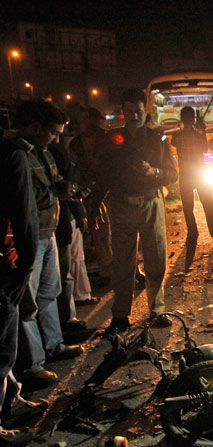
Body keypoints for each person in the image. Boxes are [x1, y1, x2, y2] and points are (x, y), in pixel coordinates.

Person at [9, 100, 84, 390]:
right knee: (27, 305)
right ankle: (31, 365)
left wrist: (63, 188)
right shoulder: (16, 154)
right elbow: (23, 199)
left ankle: (53, 346)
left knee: (48, 294)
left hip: (48, 231)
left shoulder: (41, 151)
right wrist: (55, 191)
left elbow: (52, 183)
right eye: (53, 132)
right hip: (30, 236)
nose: (56, 139)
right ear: (34, 127)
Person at [95, 88, 178, 335]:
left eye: (138, 111)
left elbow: (173, 174)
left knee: (156, 257)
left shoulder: (158, 140)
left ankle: (157, 310)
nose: (134, 116)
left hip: (151, 202)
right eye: (129, 111)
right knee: (122, 262)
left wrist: (153, 173)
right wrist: (96, 202)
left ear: (146, 111)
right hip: (121, 206)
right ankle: (120, 315)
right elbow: (102, 174)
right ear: (123, 112)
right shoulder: (111, 141)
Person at [0, 128, 49, 446]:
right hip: (5, 264)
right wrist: (27, 267)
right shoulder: (11, 156)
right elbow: (25, 214)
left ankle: (11, 401)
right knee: (2, 350)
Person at [171, 106, 213, 267]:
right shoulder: (198, 135)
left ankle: (192, 233)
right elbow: (205, 149)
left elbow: (174, 144)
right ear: (193, 119)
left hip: (186, 177)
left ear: (181, 119)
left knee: (188, 208)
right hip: (200, 174)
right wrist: (201, 130)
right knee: (208, 205)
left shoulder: (177, 136)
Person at [49, 140, 90, 331]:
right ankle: (63, 323)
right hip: (51, 226)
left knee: (63, 274)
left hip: (59, 223)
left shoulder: (49, 153)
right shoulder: (43, 156)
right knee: (59, 276)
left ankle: (64, 321)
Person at [70, 108, 112, 289]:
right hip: (89, 194)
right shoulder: (75, 144)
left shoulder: (107, 139)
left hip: (108, 192)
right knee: (99, 234)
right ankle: (107, 272)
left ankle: (128, 271)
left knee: (117, 234)